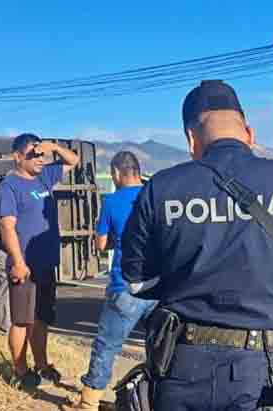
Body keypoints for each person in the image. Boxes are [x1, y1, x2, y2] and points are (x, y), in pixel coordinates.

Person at [121, 80, 273, 411]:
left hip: (183, 365)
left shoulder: (161, 187)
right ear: (248, 133)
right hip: (264, 369)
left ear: (191, 139)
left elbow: (138, 281)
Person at [65, 151, 157, 410]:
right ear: (139, 170)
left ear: (116, 173)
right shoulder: (156, 196)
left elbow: (102, 243)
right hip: (159, 288)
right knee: (160, 349)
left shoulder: (112, 201)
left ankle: (88, 403)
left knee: (107, 346)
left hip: (124, 286)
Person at [0, 132, 80, 389]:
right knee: (22, 319)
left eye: (42, 154)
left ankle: (41, 364)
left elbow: (73, 161)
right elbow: (6, 227)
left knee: (42, 317)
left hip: (45, 263)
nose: (40, 159)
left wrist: (53, 146)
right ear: (17, 157)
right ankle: (20, 370)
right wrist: (18, 262)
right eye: (33, 154)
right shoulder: (8, 187)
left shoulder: (45, 177)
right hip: (25, 265)